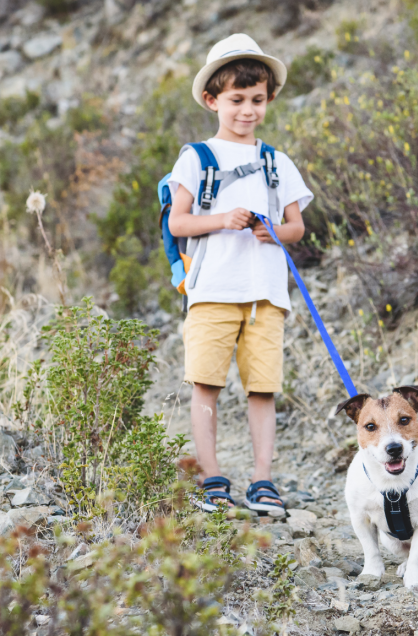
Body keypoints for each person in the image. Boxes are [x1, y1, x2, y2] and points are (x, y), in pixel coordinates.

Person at [167, 33, 312, 516]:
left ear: (268, 99)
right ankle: (212, 477)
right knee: (207, 384)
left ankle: (262, 480)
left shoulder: (277, 162)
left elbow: (298, 226)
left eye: (256, 100)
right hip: (211, 291)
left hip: (267, 295)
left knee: (262, 388)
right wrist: (221, 220)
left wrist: (276, 231)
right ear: (212, 100)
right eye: (236, 100)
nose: (247, 110)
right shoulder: (197, 157)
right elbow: (178, 221)